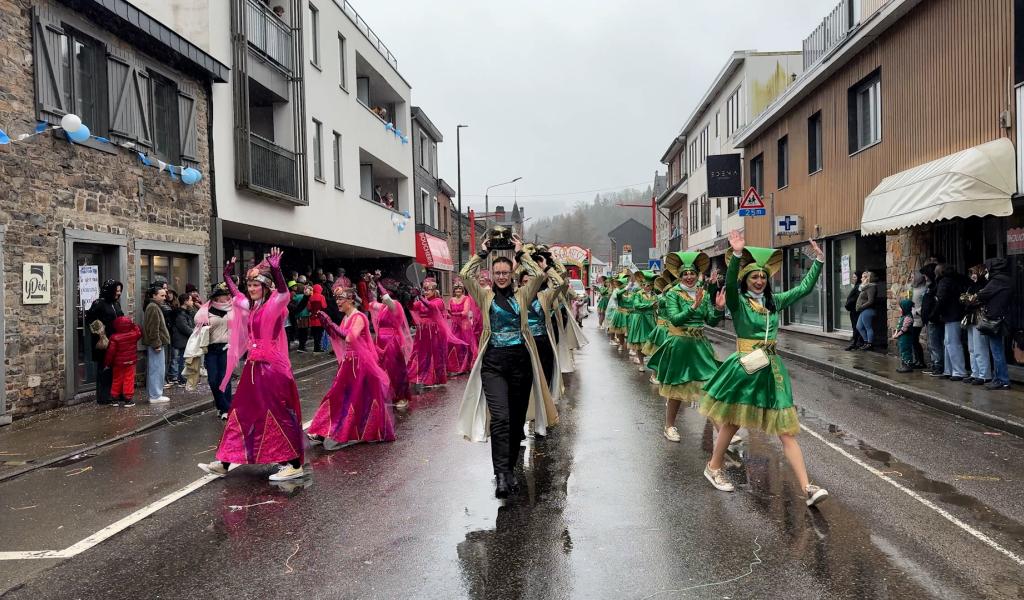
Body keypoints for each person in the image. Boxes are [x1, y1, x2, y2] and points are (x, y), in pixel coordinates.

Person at [700, 230, 829, 507]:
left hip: (771, 370)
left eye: (762, 277)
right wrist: (735, 255)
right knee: (732, 421)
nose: (759, 281)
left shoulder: (774, 302)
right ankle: (713, 467)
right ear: (746, 279)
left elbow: (803, 289)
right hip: (745, 366)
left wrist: (818, 261)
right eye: (753, 277)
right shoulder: (738, 303)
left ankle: (807, 488)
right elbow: (731, 289)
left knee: (786, 429)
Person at [457, 235, 558, 498]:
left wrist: (520, 252)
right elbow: (465, 274)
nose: (501, 276)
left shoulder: (524, 295)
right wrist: (481, 254)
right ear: (491, 275)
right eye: (497, 272)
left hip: (521, 365)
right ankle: (501, 474)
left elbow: (537, 275)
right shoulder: (485, 296)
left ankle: (510, 468)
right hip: (493, 365)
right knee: (500, 419)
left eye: (505, 272)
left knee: (515, 423)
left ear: (512, 273)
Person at [199, 249, 306, 482]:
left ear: (266, 287)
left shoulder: (275, 304)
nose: (251, 288)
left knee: (277, 413)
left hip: (272, 368)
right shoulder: (254, 306)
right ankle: (225, 461)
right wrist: (227, 277)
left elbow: (283, 292)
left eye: (256, 285)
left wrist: (277, 270)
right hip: (254, 368)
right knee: (241, 412)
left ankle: (295, 463)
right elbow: (237, 297)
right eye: (249, 285)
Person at [646, 252, 726, 443]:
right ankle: (669, 426)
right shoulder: (673, 294)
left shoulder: (704, 294)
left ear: (698, 274)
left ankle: (722, 431)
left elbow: (711, 321)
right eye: (685, 274)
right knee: (677, 390)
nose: (689, 277)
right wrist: (692, 306)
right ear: (680, 277)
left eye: (692, 273)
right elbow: (674, 319)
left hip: (700, 346)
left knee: (709, 387)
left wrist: (719, 309)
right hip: (679, 344)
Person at [306, 279, 394, 449]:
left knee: (356, 399)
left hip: (361, 365)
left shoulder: (359, 316)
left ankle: (347, 431)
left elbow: (350, 337)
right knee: (336, 396)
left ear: (351, 300)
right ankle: (322, 430)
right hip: (349, 364)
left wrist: (331, 324)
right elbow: (340, 339)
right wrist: (328, 327)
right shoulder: (346, 317)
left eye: (341, 299)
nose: (338, 302)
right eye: (336, 299)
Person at [368, 278, 414, 409]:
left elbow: (387, 299)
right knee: (382, 370)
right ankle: (386, 394)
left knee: (396, 370)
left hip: (392, 342)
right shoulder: (382, 308)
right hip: (380, 342)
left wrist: (378, 284)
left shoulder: (395, 305)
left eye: (384, 293)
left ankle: (401, 396)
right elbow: (372, 302)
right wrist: (370, 284)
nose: (381, 296)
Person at [409, 278, 461, 388]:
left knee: (434, 353)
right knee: (420, 353)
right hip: (422, 332)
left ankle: (435, 378)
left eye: (428, 290)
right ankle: (419, 375)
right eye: (424, 290)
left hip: (435, 332)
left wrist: (421, 298)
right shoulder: (421, 301)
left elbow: (432, 307)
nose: (426, 292)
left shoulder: (439, 301)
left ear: (434, 291)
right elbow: (412, 307)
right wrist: (411, 297)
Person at [195, 284, 234, 419]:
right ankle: (220, 405)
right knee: (212, 380)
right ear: (216, 298)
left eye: (227, 297)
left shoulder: (231, 309)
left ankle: (226, 409)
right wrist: (204, 326)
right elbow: (197, 326)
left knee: (225, 379)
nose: (226, 300)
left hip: (226, 347)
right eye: (223, 297)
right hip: (211, 348)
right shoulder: (207, 311)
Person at [85, 279, 124, 406]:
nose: (118, 293)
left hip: (116, 341)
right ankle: (103, 396)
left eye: (120, 291)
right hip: (104, 342)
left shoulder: (116, 304)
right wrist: (100, 331)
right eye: (116, 291)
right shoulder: (99, 304)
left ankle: (114, 394)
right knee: (104, 369)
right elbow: (90, 319)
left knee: (114, 369)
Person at [977, 257, 1013, 390]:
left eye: (987, 268)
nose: (986, 270)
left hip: (995, 319)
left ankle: (1002, 380)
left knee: (996, 350)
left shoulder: (997, 280)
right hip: (1003, 316)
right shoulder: (1006, 279)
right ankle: (999, 378)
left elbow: (982, 295)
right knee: (998, 349)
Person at [930, 264, 966, 380]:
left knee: (952, 343)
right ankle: (949, 370)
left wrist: (933, 314)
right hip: (952, 315)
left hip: (951, 315)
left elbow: (941, 299)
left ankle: (958, 371)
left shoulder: (944, 282)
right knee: (948, 343)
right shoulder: (953, 281)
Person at [103, 315, 142, 407]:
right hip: (130, 362)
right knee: (129, 379)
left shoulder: (114, 337)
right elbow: (139, 332)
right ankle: (128, 399)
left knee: (117, 379)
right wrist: (133, 324)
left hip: (118, 363)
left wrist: (107, 364)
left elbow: (110, 353)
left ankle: (114, 398)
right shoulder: (133, 334)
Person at [962, 265, 991, 385]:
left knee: (980, 347)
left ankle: (984, 374)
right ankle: (975, 373)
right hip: (971, 317)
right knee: (972, 348)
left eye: (974, 273)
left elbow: (980, 299)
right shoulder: (972, 286)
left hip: (979, 318)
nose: (972, 275)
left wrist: (970, 300)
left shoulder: (985, 285)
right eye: (971, 273)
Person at [142, 286, 171, 404]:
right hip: (156, 344)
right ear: (154, 296)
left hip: (157, 343)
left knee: (157, 368)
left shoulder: (153, 306)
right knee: (157, 369)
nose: (164, 298)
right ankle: (155, 394)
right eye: (162, 295)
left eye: (165, 295)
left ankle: (155, 394)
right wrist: (156, 343)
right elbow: (153, 328)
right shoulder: (153, 307)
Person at [625, 272, 659, 370]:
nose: (646, 287)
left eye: (649, 285)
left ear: (652, 286)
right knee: (639, 342)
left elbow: (657, 306)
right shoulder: (638, 294)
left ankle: (653, 365)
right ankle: (641, 364)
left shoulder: (655, 295)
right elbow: (637, 305)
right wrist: (650, 305)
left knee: (652, 342)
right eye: (644, 285)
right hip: (640, 320)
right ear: (642, 285)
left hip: (651, 319)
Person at [447, 281, 479, 375]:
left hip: (464, 326)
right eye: (456, 289)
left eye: (460, 289)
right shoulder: (451, 299)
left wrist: (453, 314)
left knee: (464, 345)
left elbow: (465, 312)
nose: (458, 290)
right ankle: (455, 367)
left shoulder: (466, 299)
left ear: (462, 290)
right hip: (454, 325)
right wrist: (448, 315)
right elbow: (448, 310)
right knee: (452, 344)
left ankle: (465, 366)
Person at [920, 263, 944, 375]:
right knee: (931, 344)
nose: (924, 278)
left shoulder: (935, 287)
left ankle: (938, 366)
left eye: (925, 275)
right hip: (929, 318)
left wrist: (931, 316)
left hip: (933, 319)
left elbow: (935, 303)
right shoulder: (930, 287)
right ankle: (935, 364)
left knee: (935, 344)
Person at [169, 294, 196, 385]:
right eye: (190, 300)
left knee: (182, 359)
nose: (192, 302)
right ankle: (180, 378)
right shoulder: (180, 313)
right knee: (180, 360)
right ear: (185, 301)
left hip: (184, 339)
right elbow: (184, 327)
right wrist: (194, 333)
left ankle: (182, 378)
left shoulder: (187, 312)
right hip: (180, 339)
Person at [854, 270, 879, 351]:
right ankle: (866, 342)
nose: (861, 279)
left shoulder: (871, 287)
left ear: (868, 278)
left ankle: (870, 344)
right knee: (859, 326)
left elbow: (871, 301)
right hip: (864, 310)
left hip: (868, 310)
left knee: (868, 327)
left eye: (863, 277)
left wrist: (861, 306)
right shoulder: (865, 287)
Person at [908, 273, 928, 368]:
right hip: (912, 317)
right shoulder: (912, 288)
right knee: (913, 340)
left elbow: (924, 303)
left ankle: (921, 361)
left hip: (918, 317)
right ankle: (917, 360)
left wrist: (917, 312)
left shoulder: (923, 289)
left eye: (913, 277)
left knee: (914, 340)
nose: (911, 278)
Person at [892, 299, 916, 373]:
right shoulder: (903, 316)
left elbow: (904, 329)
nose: (900, 309)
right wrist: (895, 333)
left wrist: (897, 335)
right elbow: (899, 326)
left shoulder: (908, 317)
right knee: (902, 350)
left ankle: (907, 366)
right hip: (902, 337)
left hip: (906, 337)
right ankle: (903, 365)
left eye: (901, 307)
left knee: (906, 351)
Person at [843, 270, 863, 351]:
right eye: (853, 277)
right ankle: (856, 342)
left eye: (855, 277)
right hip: (853, 310)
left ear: (858, 278)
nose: (853, 279)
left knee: (856, 327)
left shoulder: (858, 287)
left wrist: (849, 304)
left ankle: (855, 343)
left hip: (855, 311)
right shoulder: (857, 286)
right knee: (855, 327)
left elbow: (857, 299)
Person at [307, 284, 328, 352]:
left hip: (313, 319)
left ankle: (316, 348)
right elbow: (324, 306)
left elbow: (309, 308)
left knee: (315, 334)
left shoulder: (310, 297)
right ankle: (318, 348)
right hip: (320, 319)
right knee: (320, 333)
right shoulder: (322, 297)